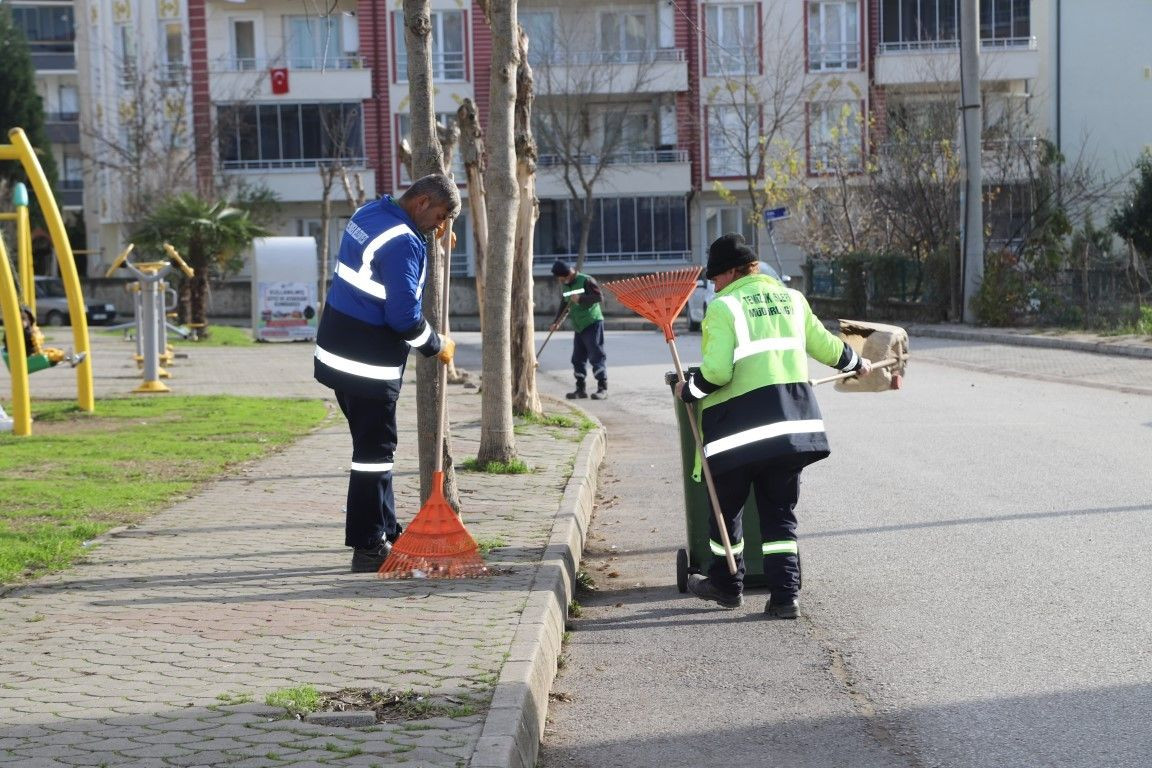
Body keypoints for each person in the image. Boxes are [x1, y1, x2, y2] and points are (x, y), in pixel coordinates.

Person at [675, 233, 871, 619]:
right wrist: (855, 363)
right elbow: (824, 345)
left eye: (716, 276)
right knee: (779, 514)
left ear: (733, 272)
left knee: (725, 512)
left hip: (737, 434)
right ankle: (785, 597)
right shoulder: (791, 299)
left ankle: (727, 586)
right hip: (789, 432)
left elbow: (717, 372)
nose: (714, 284)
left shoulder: (724, 307)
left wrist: (688, 389)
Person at [313, 173, 461, 573]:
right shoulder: (403, 243)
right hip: (367, 365)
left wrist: (430, 240)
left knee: (375, 449)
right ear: (422, 202)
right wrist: (437, 344)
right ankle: (367, 548)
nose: (439, 225)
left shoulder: (370, 212)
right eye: (440, 216)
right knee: (374, 456)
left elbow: (383, 267)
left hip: (336, 352)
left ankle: (385, 530)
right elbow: (404, 319)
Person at [548, 259, 607, 400]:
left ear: (567, 274)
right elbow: (564, 305)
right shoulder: (566, 285)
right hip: (579, 326)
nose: (559, 280)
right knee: (577, 358)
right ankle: (580, 389)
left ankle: (602, 388)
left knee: (596, 355)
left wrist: (580, 299)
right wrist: (556, 322)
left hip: (592, 322)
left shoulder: (586, 280)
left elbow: (598, 297)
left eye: (560, 277)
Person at [2, 306, 86, 368]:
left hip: (27, 355)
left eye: (25, 320)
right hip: (26, 358)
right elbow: (33, 344)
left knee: (50, 350)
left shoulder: (19, 330)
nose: (24, 322)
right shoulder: (21, 332)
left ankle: (71, 357)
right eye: (22, 319)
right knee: (49, 355)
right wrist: (35, 336)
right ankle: (68, 357)